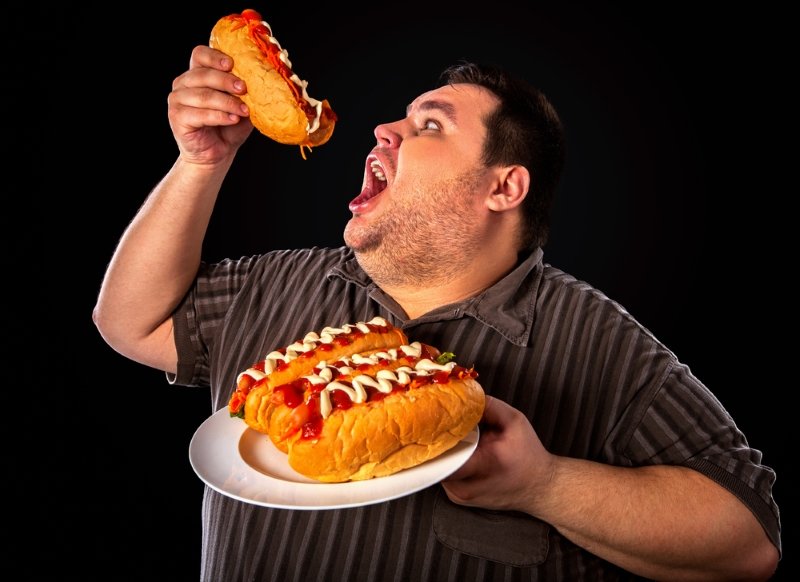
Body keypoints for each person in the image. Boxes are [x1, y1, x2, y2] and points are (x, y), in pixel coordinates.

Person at [93, 44, 781, 581]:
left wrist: (545, 485)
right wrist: (201, 163)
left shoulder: (597, 338)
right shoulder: (276, 282)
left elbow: (750, 542)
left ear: (503, 187)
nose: (383, 129)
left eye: (430, 125)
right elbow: (129, 322)